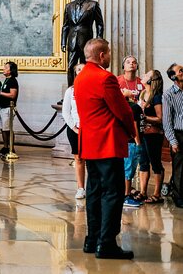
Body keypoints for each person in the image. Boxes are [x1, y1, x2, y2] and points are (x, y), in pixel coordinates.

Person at [75, 38, 136, 259]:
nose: (110, 56)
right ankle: (107, 243)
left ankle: (92, 240)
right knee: (113, 194)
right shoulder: (105, 78)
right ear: (101, 55)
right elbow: (123, 111)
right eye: (108, 52)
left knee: (94, 193)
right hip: (107, 144)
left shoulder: (80, 77)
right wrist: (132, 132)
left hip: (90, 145)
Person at [61, 0, 105, 86]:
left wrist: (98, 41)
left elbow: (99, 24)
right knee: (70, 66)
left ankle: (85, 89)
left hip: (86, 41)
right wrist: (63, 42)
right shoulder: (69, 6)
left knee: (86, 67)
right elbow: (65, 26)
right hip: (72, 41)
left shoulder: (93, 5)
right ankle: (70, 91)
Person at [137, 70, 165, 204]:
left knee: (155, 163)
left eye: (146, 75)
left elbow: (160, 118)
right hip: (143, 133)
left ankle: (157, 194)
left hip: (154, 134)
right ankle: (142, 191)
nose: (143, 75)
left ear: (151, 80)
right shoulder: (143, 93)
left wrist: (144, 117)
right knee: (143, 163)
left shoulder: (157, 96)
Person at [61, 63, 86, 199]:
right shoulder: (70, 91)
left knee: (94, 160)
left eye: (84, 69)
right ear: (75, 73)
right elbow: (66, 112)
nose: (82, 71)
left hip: (90, 129)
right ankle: (81, 187)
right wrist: (74, 128)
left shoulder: (92, 88)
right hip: (75, 128)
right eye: (79, 70)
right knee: (79, 158)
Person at [163, 63, 183, 208]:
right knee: (179, 167)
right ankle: (178, 195)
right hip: (179, 133)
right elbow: (167, 120)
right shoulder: (168, 94)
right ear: (173, 76)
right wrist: (172, 140)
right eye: (180, 71)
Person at [0, 62, 19, 155]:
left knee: (8, 129)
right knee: (3, 128)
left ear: (11, 70)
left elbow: (13, 95)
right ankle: (5, 147)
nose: (3, 69)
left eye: (6, 67)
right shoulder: (6, 80)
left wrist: (0, 93)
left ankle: (11, 148)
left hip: (8, 108)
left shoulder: (13, 81)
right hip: (2, 107)